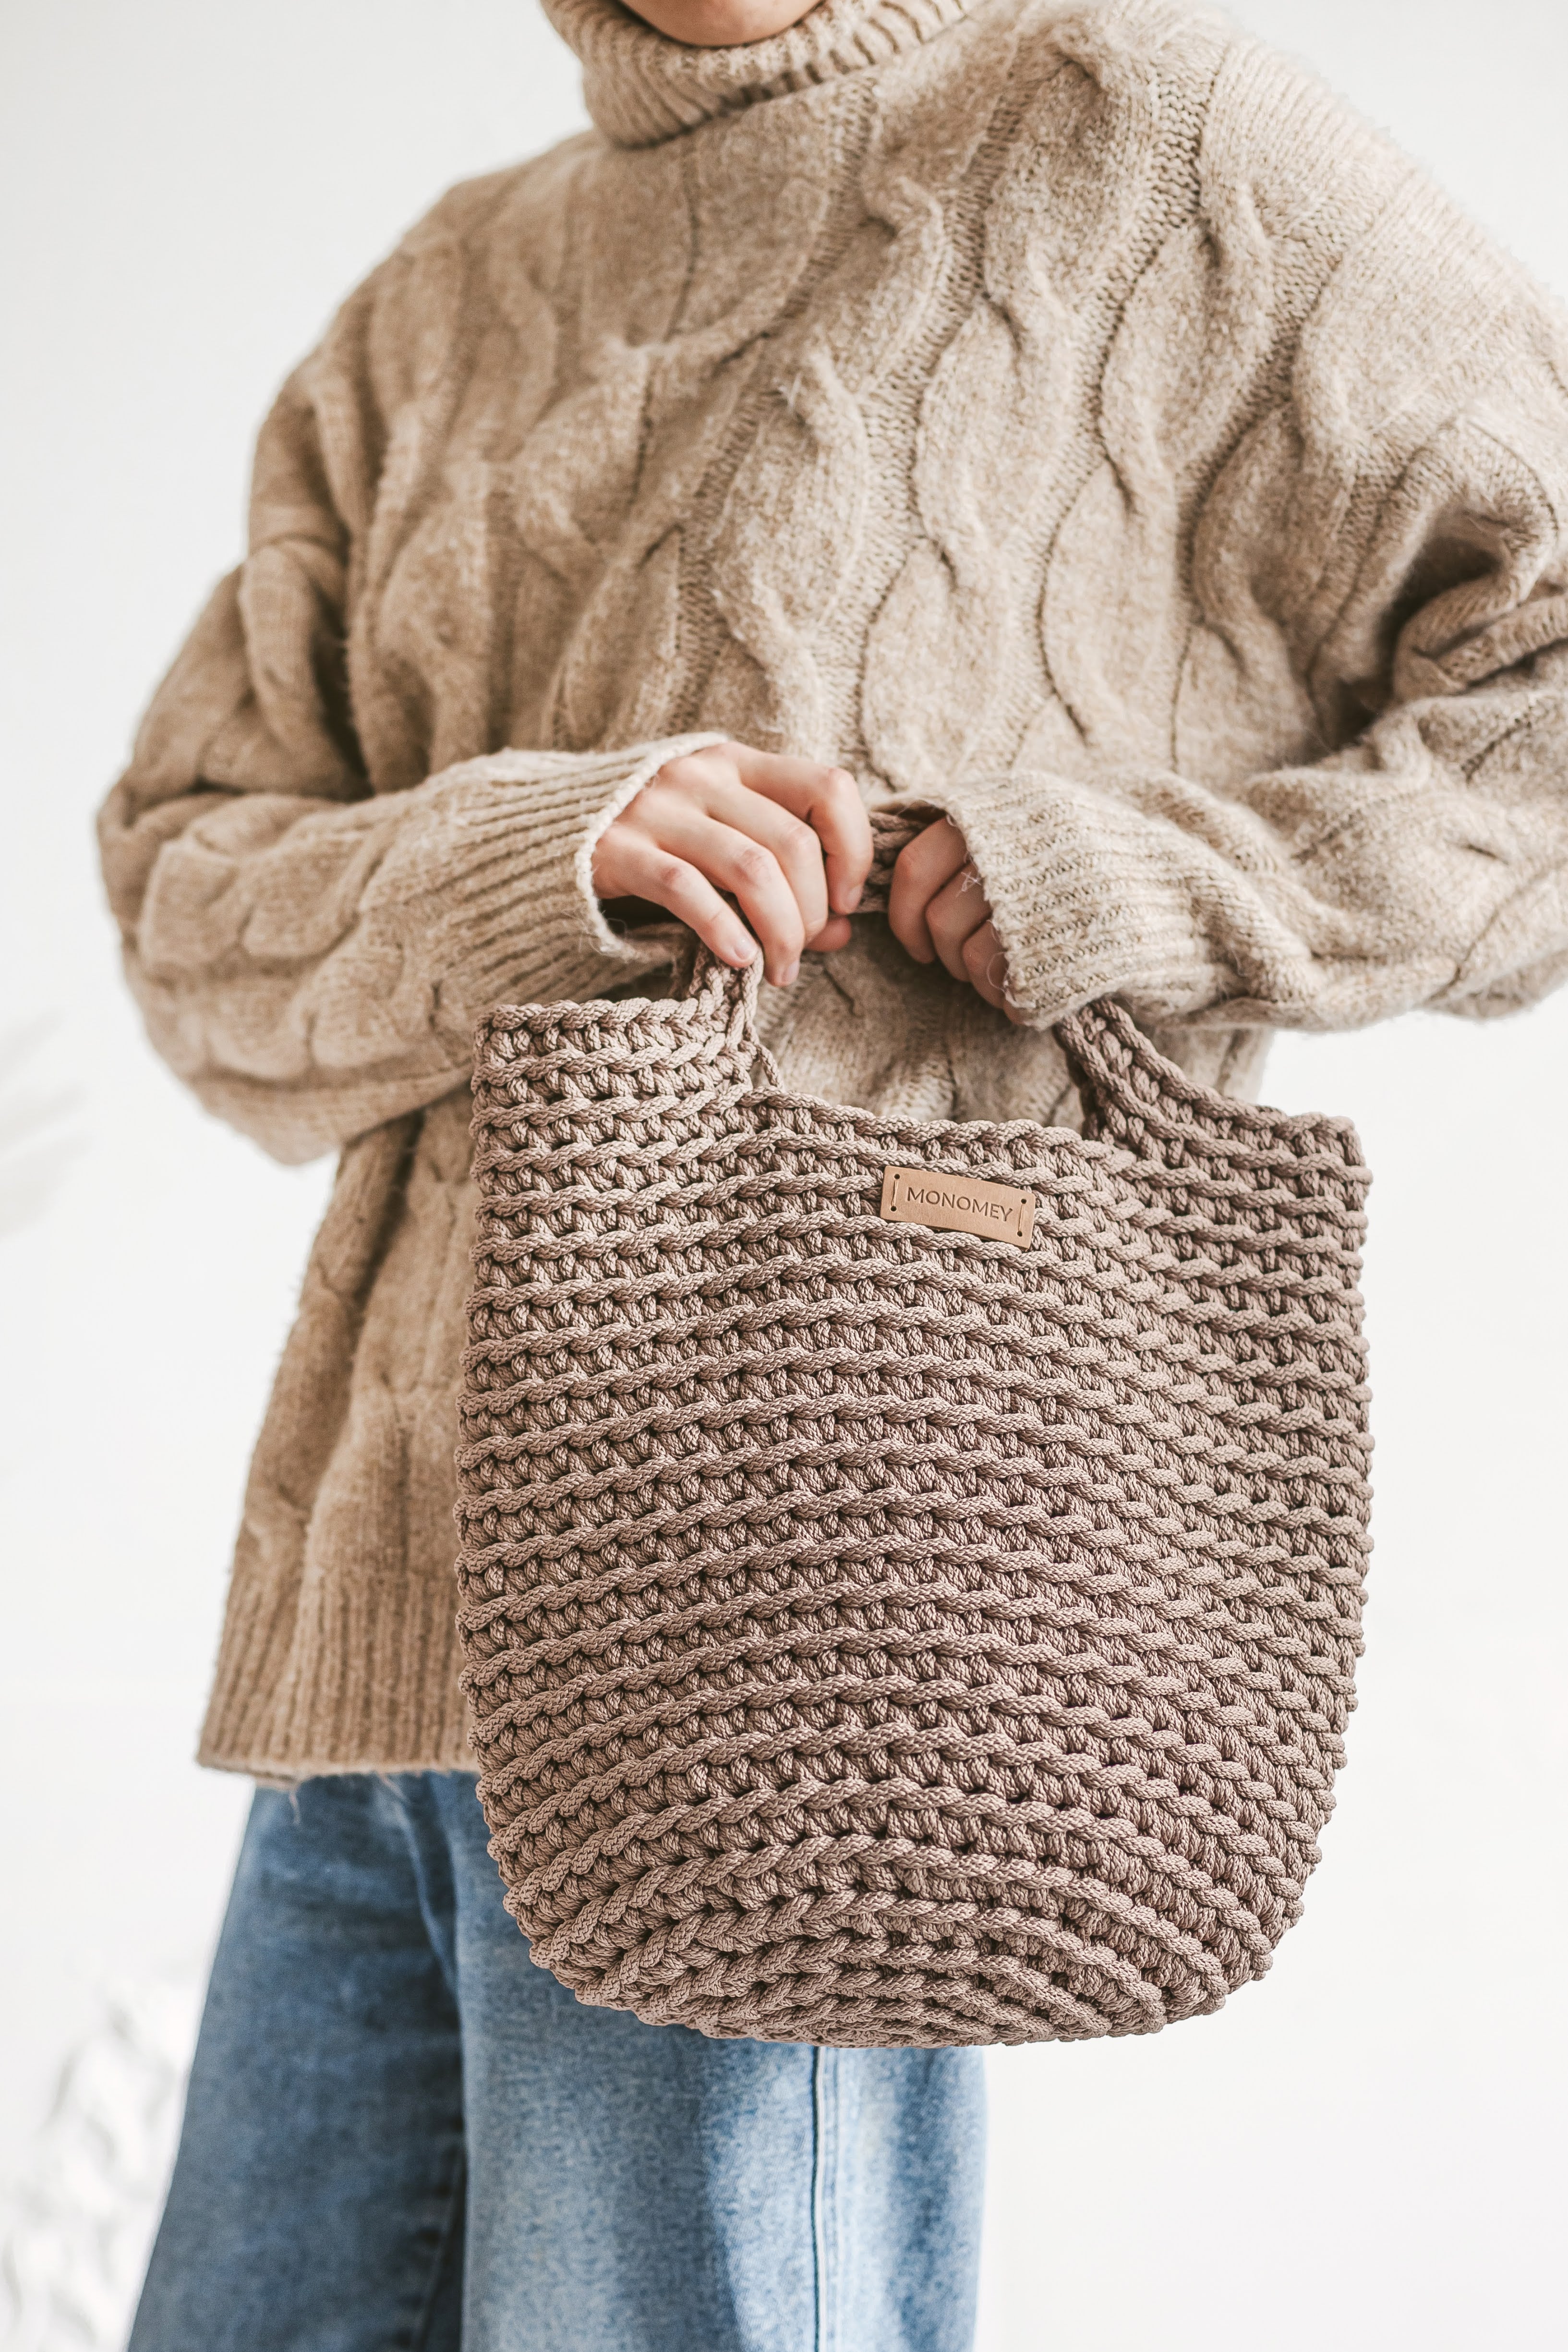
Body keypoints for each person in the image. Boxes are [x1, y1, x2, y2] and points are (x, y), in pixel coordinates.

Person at [103, 0, 1568, 2341]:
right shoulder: (439, 297)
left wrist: (1155, 878)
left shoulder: (1162, 147)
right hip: (363, 1689)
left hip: (798, 1652)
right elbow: (189, 895)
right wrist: (533, 851)